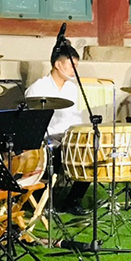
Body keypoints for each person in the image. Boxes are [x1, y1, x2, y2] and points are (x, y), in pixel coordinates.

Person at [26, 40, 89, 212]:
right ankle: (41, 200)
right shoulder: (38, 88)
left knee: (91, 153)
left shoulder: (73, 89)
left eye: (76, 66)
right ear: (57, 64)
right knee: (56, 153)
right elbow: (32, 124)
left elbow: (77, 118)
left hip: (68, 139)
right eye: (71, 65)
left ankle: (73, 200)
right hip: (47, 142)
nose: (74, 70)